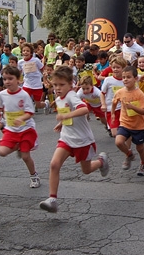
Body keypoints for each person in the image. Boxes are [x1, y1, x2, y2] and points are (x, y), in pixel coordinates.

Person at [39, 66, 109, 213]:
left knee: (86, 170)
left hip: (83, 140)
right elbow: (67, 113)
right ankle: (52, 199)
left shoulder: (72, 95)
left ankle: (101, 162)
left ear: (71, 84)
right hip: (66, 138)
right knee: (54, 164)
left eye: (61, 85)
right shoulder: (59, 98)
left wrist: (66, 116)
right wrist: (61, 122)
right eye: (55, 85)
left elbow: (83, 109)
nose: (58, 88)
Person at [0, 66, 41, 188]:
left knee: (25, 156)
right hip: (11, 129)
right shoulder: (2, 94)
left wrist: (21, 118)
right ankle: (18, 146)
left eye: (10, 78)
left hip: (26, 129)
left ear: (18, 80)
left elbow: (30, 112)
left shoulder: (23, 95)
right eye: (5, 79)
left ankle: (34, 176)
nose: (7, 81)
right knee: (2, 152)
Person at [112, 66, 144, 175]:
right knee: (118, 142)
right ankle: (129, 154)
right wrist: (112, 114)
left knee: (140, 148)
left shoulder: (139, 94)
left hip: (139, 126)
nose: (125, 79)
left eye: (128, 77)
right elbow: (114, 102)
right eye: (123, 77)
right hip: (125, 123)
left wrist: (132, 107)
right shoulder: (120, 92)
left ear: (135, 78)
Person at [101, 57, 126, 137]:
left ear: (123, 68)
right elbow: (102, 93)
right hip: (111, 109)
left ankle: (127, 147)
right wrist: (103, 104)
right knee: (115, 133)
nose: (115, 69)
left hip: (123, 109)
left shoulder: (125, 80)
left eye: (118, 67)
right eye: (113, 67)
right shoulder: (108, 80)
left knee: (125, 130)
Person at [18, 43, 47, 111]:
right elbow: (18, 72)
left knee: (38, 105)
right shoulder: (20, 62)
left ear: (31, 52)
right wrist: (18, 80)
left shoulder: (36, 60)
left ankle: (46, 104)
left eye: (27, 51)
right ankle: (28, 113)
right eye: (24, 51)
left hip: (37, 84)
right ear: (21, 52)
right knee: (25, 100)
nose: (26, 52)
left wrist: (45, 78)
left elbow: (42, 69)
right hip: (27, 84)